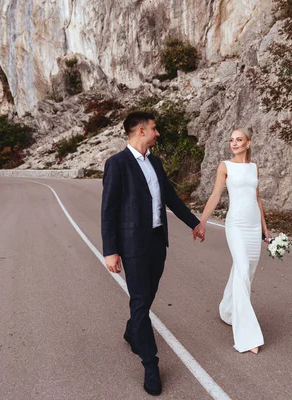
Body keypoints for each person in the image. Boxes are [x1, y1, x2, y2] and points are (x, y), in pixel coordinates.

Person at [101, 111, 205, 396]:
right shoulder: (117, 164)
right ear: (140, 131)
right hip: (132, 246)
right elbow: (108, 210)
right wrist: (111, 251)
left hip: (158, 242)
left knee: (147, 298)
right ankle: (150, 364)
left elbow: (171, 198)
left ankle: (132, 330)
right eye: (154, 129)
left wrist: (194, 223)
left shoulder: (156, 163)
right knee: (139, 300)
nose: (158, 133)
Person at [196, 128, 270, 354]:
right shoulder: (224, 166)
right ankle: (248, 335)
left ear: (248, 143)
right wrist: (201, 222)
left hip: (253, 225)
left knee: (246, 272)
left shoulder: (254, 167)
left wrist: (266, 229)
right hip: (236, 225)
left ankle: (228, 310)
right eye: (232, 140)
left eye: (239, 140)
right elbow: (216, 196)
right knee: (242, 268)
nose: (234, 143)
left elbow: (257, 198)